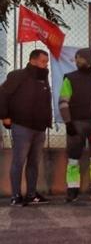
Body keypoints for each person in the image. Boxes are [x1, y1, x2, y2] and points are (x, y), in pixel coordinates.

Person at [0, 49, 52, 206]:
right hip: (22, 126)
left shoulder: (44, 78)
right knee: (18, 161)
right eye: (43, 61)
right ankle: (15, 196)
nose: (46, 64)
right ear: (33, 60)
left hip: (39, 127)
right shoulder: (17, 75)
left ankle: (31, 194)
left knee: (34, 163)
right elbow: (2, 95)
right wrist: (4, 116)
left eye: (47, 61)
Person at [58, 48, 91, 203]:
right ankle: (72, 189)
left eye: (79, 58)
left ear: (88, 59)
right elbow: (63, 101)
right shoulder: (70, 78)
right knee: (73, 158)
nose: (77, 61)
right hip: (75, 123)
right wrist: (68, 122)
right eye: (76, 58)